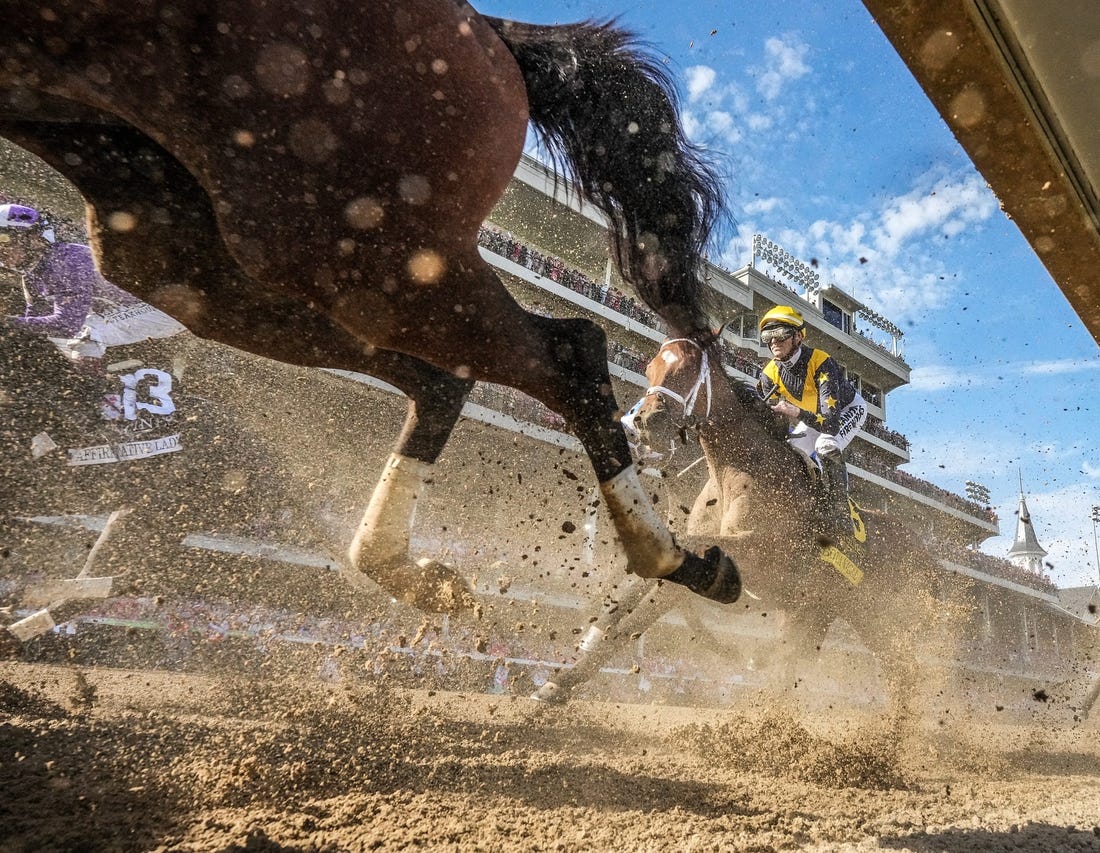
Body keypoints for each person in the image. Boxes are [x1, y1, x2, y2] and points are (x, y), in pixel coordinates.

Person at [757, 305, 867, 533]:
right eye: (768, 336)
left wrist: (796, 413)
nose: (774, 341)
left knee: (825, 445)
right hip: (812, 418)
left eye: (780, 334)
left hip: (846, 411)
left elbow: (830, 423)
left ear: (798, 336)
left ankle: (840, 510)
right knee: (790, 452)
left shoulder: (821, 362)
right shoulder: (769, 374)